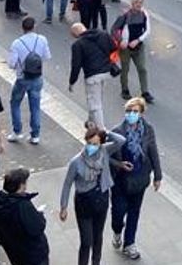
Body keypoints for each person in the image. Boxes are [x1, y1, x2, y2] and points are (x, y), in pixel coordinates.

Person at [58, 123, 127, 265]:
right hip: (84, 202)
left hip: (101, 198)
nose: (92, 146)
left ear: (101, 143)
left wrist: (106, 132)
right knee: (86, 240)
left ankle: (96, 262)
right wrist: (63, 207)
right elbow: (67, 184)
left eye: (95, 144)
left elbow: (121, 140)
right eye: (89, 143)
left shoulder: (104, 151)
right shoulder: (76, 162)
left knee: (98, 236)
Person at [108, 97, 162, 261]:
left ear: (141, 113)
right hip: (120, 181)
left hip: (139, 178)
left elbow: (153, 151)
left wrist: (158, 176)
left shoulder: (148, 130)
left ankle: (129, 243)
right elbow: (106, 157)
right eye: (128, 111)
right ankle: (117, 231)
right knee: (118, 212)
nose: (131, 114)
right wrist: (119, 164)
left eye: (135, 111)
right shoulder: (117, 131)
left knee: (134, 212)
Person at [0, 166, 49, 265]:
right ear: (21, 185)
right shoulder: (22, 206)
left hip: (15, 254)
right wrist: (40, 214)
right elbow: (38, 227)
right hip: (33, 255)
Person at [7, 16, 52, 146]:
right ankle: (35, 135)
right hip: (37, 78)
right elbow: (47, 56)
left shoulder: (17, 43)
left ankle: (17, 131)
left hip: (22, 78)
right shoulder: (42, 39)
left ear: (22, 28)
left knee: (15, 103)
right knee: (35, 106)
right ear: (34, 26)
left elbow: (11, 64)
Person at [69, 21, 118, 129]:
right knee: (97, 97)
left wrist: (72, 82)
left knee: (95, 104)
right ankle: (91, 121)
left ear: (75, 34)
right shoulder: (102, 34)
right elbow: (113, 47)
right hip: (107, 72)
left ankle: (101, 130)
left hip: (92, 76)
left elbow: (76, 65)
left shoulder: (78, 45)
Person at [112, 0, 154, 104]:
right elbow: (114, 29)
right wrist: (121, 41)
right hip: (125, 48)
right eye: (136, 2)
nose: (139, 5)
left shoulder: (144, 14)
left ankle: (145, 92)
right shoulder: (125, 15)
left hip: (138, 46)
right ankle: (124, 90)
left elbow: (147, 30)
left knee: (142, 68)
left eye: (140, 2)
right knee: (125, 69)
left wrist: (138, 40)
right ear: (132, 3)